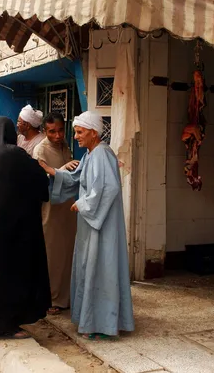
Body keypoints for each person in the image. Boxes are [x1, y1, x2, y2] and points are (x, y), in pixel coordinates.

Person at [39, 111, 135, 339]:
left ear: (93, 133)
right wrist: (51, 170)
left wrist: (84, 204)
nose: (76, 137)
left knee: (102, 269)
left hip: (102, 225)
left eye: (80, 132)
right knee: (91, 269)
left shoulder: (102, 154)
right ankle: (93, 321)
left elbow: (109, 188)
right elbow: (76, 179)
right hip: (91, 224)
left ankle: (104, 324)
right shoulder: (91, 155)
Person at [0, 116, 51, 339]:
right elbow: (40, 183)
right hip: (9, 231)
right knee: (9, 276)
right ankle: (8, 325)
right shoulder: (14, 155)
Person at [32, 113, 78, 315]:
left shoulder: (64, 145)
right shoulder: (39, 150)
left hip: (68, 210)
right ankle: (51, 299)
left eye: (60, 130)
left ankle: (65, 298)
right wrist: (62, 170)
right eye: (52, 131)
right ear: (44, 131)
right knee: (53, 254)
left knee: (68, 253)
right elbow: (41, 179)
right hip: (51, 211)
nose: (58, 135)